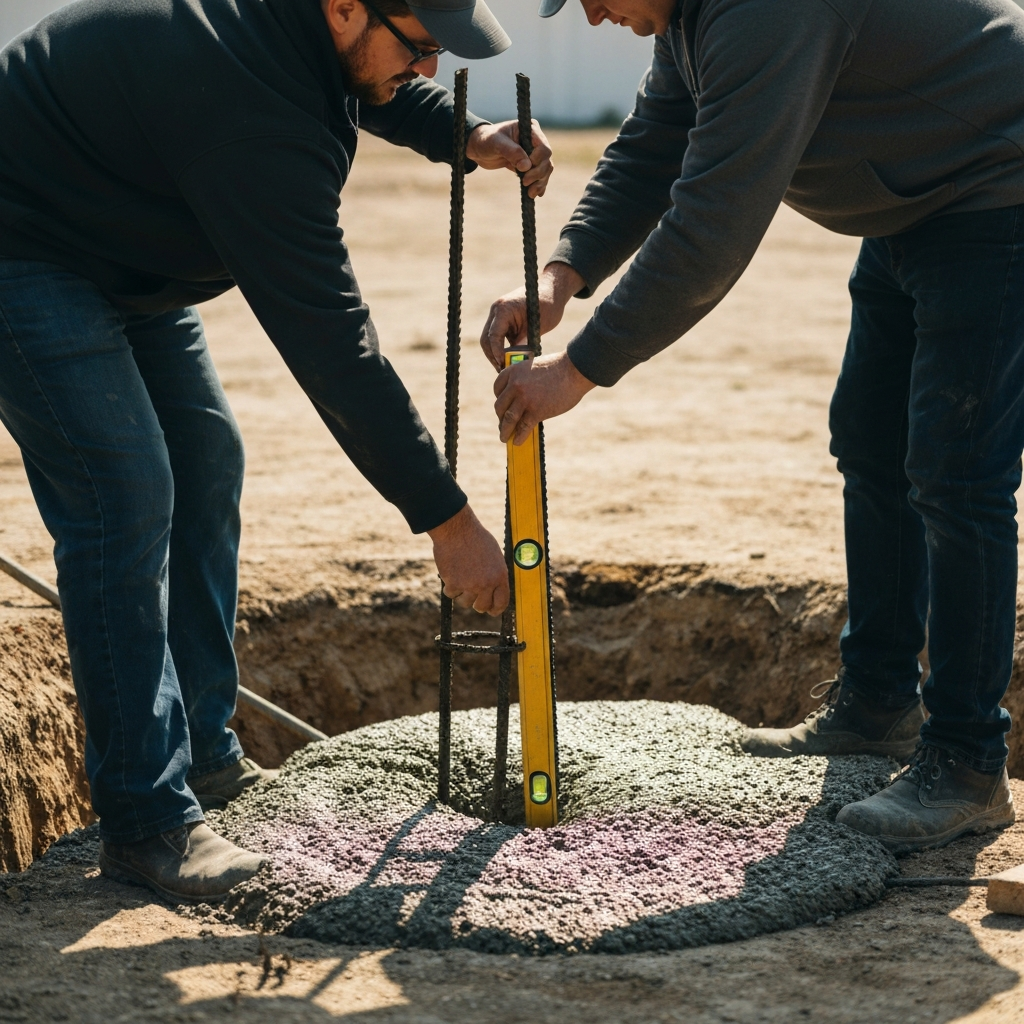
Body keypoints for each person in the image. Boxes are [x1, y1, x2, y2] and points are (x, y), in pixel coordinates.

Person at [0, 0, 551, 902]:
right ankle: (146, 823)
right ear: (345, 8)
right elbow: (334, 345)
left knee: (206, 462)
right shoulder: (248, 117)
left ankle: (205, 757)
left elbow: (357, 84)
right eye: (421, 49)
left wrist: (468, 132)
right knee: (125, 495)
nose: (424, 67)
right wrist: (446, 519)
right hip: (24, 249)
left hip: (119, 237)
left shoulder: (294, 29)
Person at [481, 0, 1024, 853]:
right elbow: (657, 143)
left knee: (957, 471)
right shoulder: (691, 18)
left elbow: (715, 217)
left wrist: (581, 369)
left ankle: (965, 763)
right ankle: (880, 702)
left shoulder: (770, 9)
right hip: (915, 204)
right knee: (871, 448)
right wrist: (563, 276)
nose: (590, 14)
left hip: (999, 188)